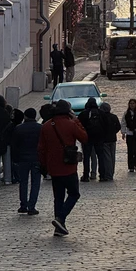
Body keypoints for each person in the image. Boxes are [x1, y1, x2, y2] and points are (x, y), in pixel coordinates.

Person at [38, 99, 88, 236]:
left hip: (53, 167)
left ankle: (59, 227)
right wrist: (76, 120)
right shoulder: (71, 124)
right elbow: (84, 137)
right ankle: (60, 218)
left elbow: (41, 149)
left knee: (58, 197)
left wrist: (44, 165)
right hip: (68, 166)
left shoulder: (46, 126)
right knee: (74, 194)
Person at [12, 107, 42, 215]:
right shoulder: (40, 128)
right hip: (36, 159)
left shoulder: (19, 128)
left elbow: (14, 145)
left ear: (25, 116)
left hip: (23, 159)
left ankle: (23, 205)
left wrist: (15, 159)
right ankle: (32, 206)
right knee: (35, 183)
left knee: (23, 182)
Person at [78, 97, 106, 181]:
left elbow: (79, 126)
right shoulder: (101, 113)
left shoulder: (83, 113)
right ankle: (102, 175)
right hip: (99, 138)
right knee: (100, 156)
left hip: (87, 138)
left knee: (86, 157)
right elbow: (106, 125)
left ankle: (86, 175)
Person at [99, 102, 121, 181]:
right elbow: (118, 126)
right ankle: (111, 173)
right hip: (113, 139)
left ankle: (108, 174)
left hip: (105, 140)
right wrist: (113, 132)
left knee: (107, 157)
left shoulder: (101, 117)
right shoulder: (114, 116)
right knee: (112, 156)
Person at [121, 99, 136, 172]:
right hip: (129, 134)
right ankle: (131, 166)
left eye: (133, 103)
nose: (132, 105)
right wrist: (123, 132)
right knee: (130, 151)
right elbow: (123, 123)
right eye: (131, 103)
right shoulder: (126, 113)